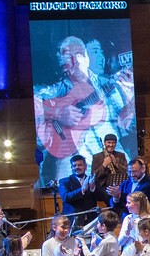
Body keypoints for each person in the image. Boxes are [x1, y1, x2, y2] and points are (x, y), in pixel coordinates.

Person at [33, 36, 134, 180]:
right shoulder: (56, 90)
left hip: (112, 159)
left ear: (83, 57)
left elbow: (126, 126)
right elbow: (34, 103)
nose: (68, 65)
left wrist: (130, 100)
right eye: (64, 63)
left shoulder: (107, 84)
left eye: (72, 57)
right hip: (74, 163)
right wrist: (58, 113)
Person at [59, 154, 99, 230]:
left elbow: (102, 197)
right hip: (73, 221)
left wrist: (93, 188)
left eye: (80, 165)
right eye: (74, 166)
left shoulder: (92, 180)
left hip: (91, 220)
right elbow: (65, 197)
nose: (77, 167)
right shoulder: (64, 182)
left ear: (85, 167)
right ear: (71, 168)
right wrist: (82, 190)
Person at [90, 134, 128, 203]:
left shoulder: (121, 155)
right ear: (104, 143)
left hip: (118, 185)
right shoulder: (97, 157)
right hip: (104, 187)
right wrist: (104, 165)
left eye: (113, 142)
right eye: (109, 142)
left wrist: (116, 164)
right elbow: (93, 176)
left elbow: (127, 171)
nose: (111, 145)